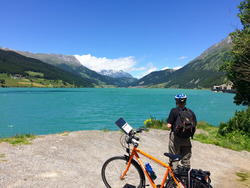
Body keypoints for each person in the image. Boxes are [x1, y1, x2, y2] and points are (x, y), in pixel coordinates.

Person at [167, 93, 197, 171]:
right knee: (186, 160)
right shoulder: (190, 112)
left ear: (176, 102)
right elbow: (195, 127)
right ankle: (186, 178)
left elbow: (169, 125)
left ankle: (173, 179)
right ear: (185, 102)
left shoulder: (174, 111)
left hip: (176, 138)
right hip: (187, 139)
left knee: (174, 158)